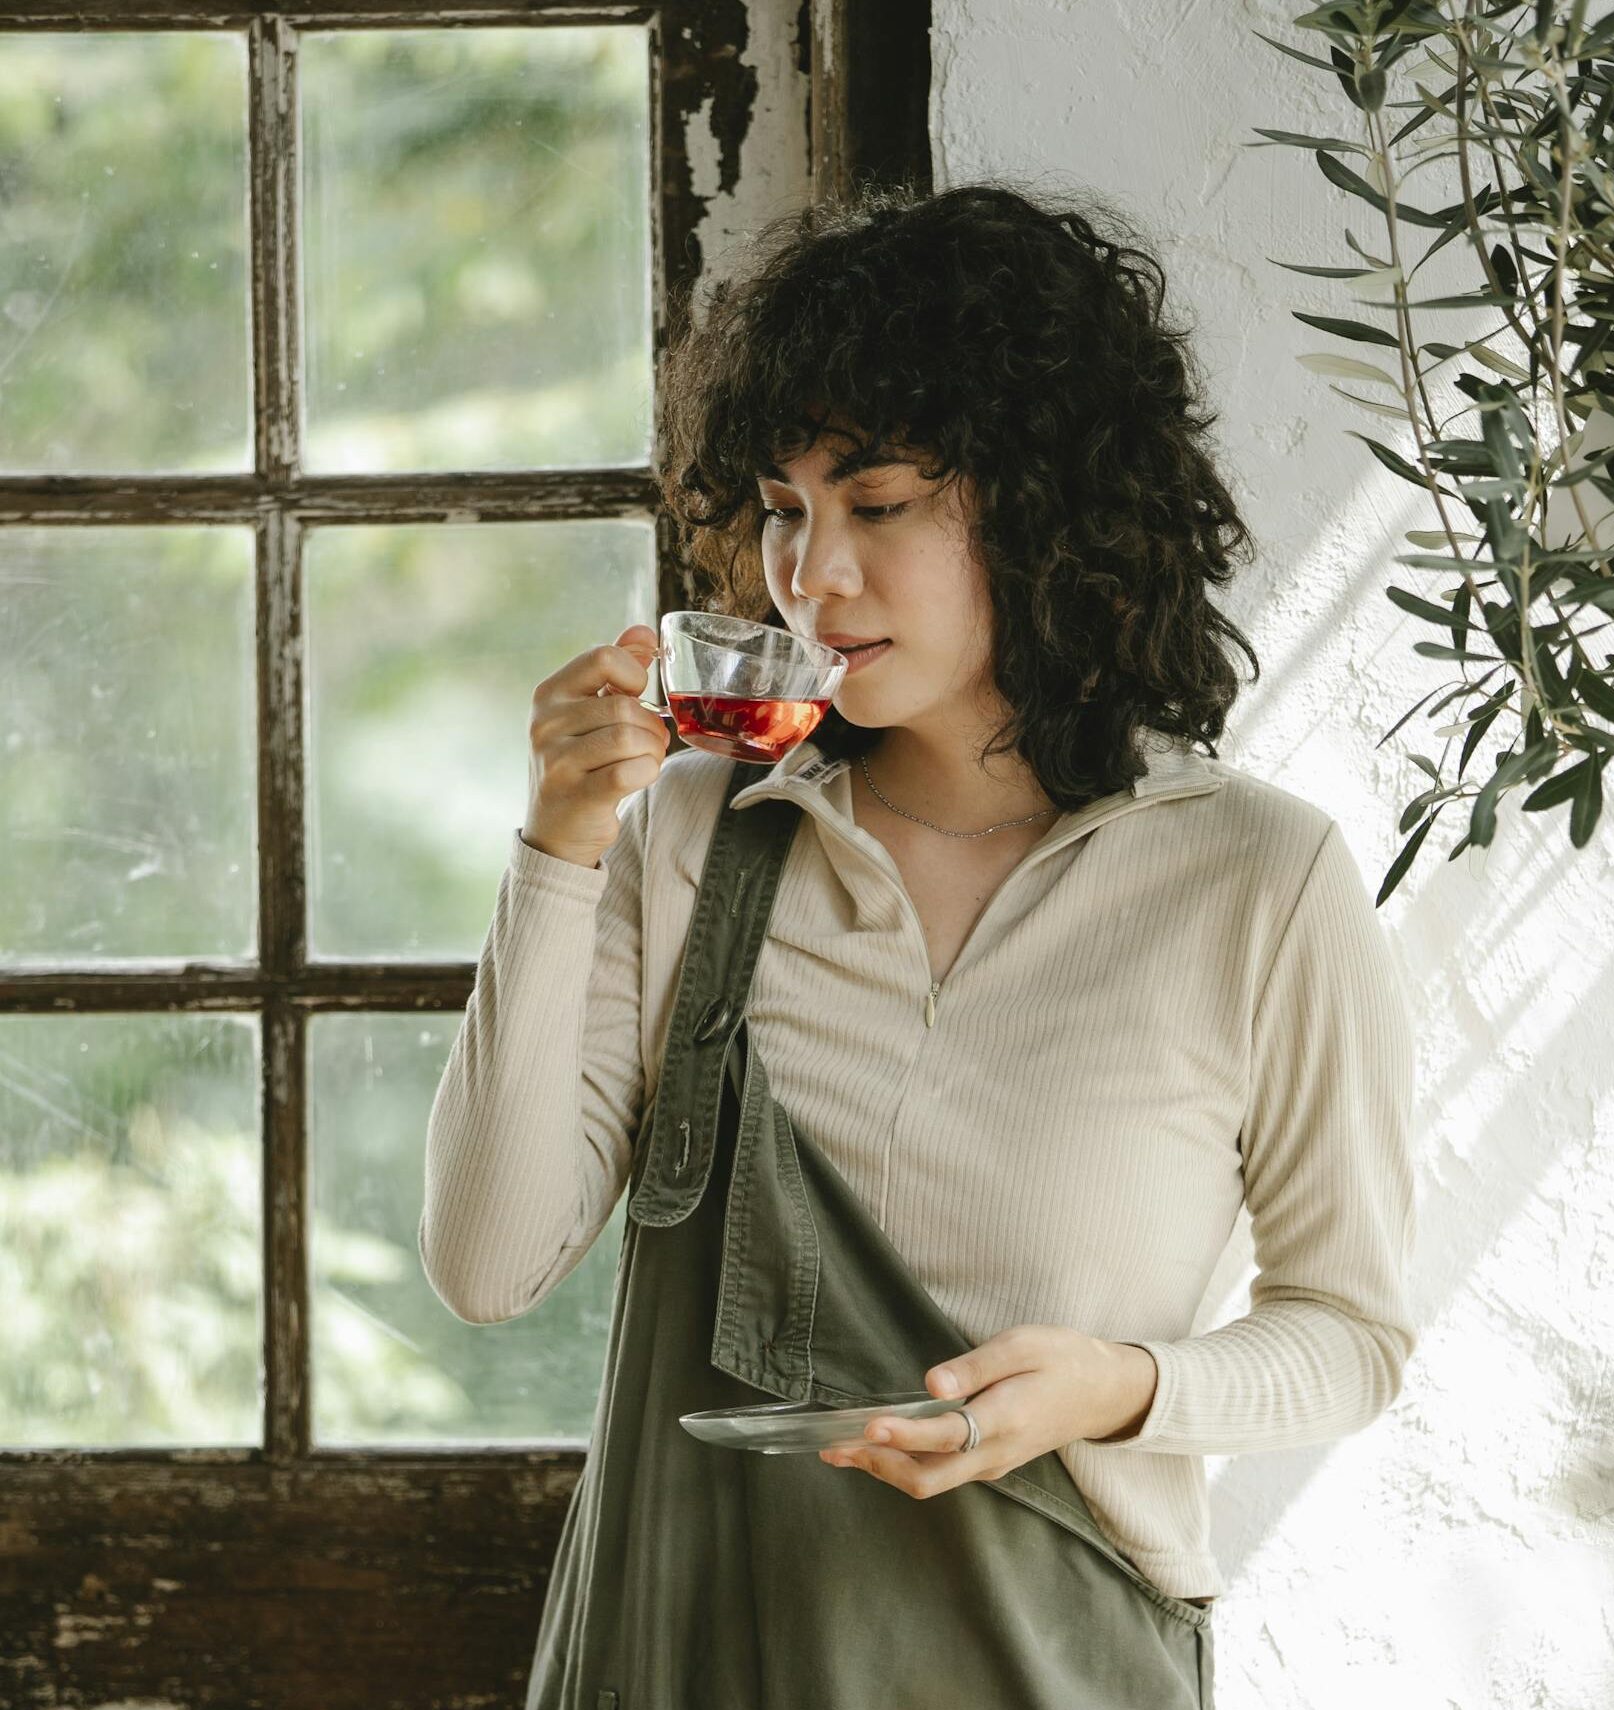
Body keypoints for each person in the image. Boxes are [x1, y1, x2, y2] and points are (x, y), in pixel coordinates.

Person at [420, 179, 1418, 1705]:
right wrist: (560, 836)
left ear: (1041, 502)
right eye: (785, 508)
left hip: (1054, 1662)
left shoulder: (1255, 880)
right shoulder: (705, 833)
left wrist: (1129, 1387)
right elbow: (489, 1264)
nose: (809, 574)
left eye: (874, 504)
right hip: (695, 1659)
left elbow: (1349, 1334)